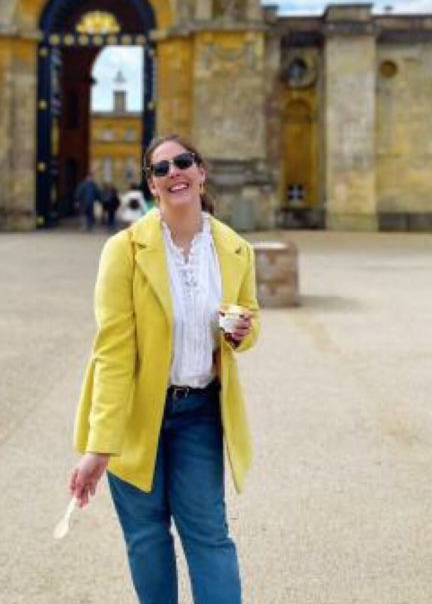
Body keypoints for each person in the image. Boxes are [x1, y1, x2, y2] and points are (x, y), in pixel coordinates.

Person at [69, 134, 260, 604]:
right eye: (161, 169)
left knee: (209, 536)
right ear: (153, 186)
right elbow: (112, 352)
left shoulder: (235, 250)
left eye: (183, 162)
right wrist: (100, 445)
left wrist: (242, 332)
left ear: (201, 172)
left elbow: (250, 320)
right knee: (148, 539)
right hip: (137, 415)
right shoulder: (124, 250)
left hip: (199, 412)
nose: (174, 172)